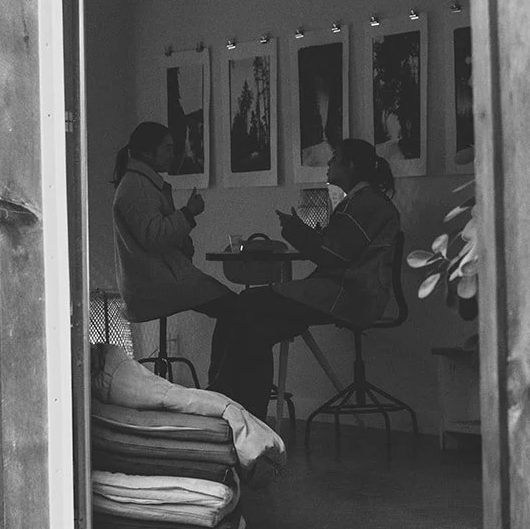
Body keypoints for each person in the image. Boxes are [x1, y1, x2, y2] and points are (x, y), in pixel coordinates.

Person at [207, 138, 401, 419]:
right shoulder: (362, 202)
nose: (328, 164)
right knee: (254, 327)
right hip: (339, 290)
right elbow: (337, 249)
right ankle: (235, 404)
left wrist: (296, 230)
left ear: (350, 165)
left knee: (246, 303)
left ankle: (224, 395)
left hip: (347, 294)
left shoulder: (365, 203)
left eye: (335, 158)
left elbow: (332, 254)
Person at [112, 121, 232, 328]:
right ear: (147, 153)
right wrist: (188, 213)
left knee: (232, 308)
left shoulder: (140, 183)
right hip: (156, 283)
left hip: (157, 278)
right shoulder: (139, 188)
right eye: (167, 149)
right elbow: (155, 237)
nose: (172, 155)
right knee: (233, 308)